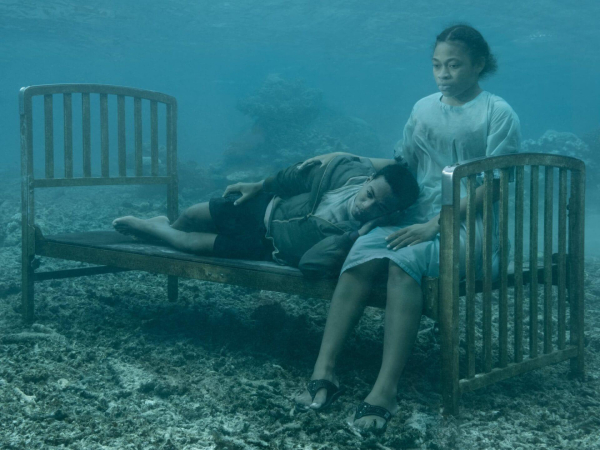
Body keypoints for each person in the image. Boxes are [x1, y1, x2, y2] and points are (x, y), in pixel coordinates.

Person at [294, 24, 521, 431]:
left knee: (404, 262)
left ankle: (385, 389)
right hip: (418, 217)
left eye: (454, 65)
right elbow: (405, 168)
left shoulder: (497, 113)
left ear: (479, 64)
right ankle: (323, 370)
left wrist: (437, 224)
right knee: (362, 254)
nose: (443, 74)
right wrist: (346, 158)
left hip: (471, 225)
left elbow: (495, 185)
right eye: (437, 65)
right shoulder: (422, 109)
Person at [112, 155, 419, 276]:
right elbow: (294, 177)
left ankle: (153, 230)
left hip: (266, 246)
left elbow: (313, 264)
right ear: (367, 182)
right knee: (192, 214)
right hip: (266, 206)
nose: (366, 207)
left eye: (379, 209)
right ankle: (160, 228)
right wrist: (258, 185)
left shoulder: (358, 237)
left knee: (192, 244)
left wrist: (354, 235)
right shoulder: (345, 172)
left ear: (389, 215)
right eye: (369, 196)